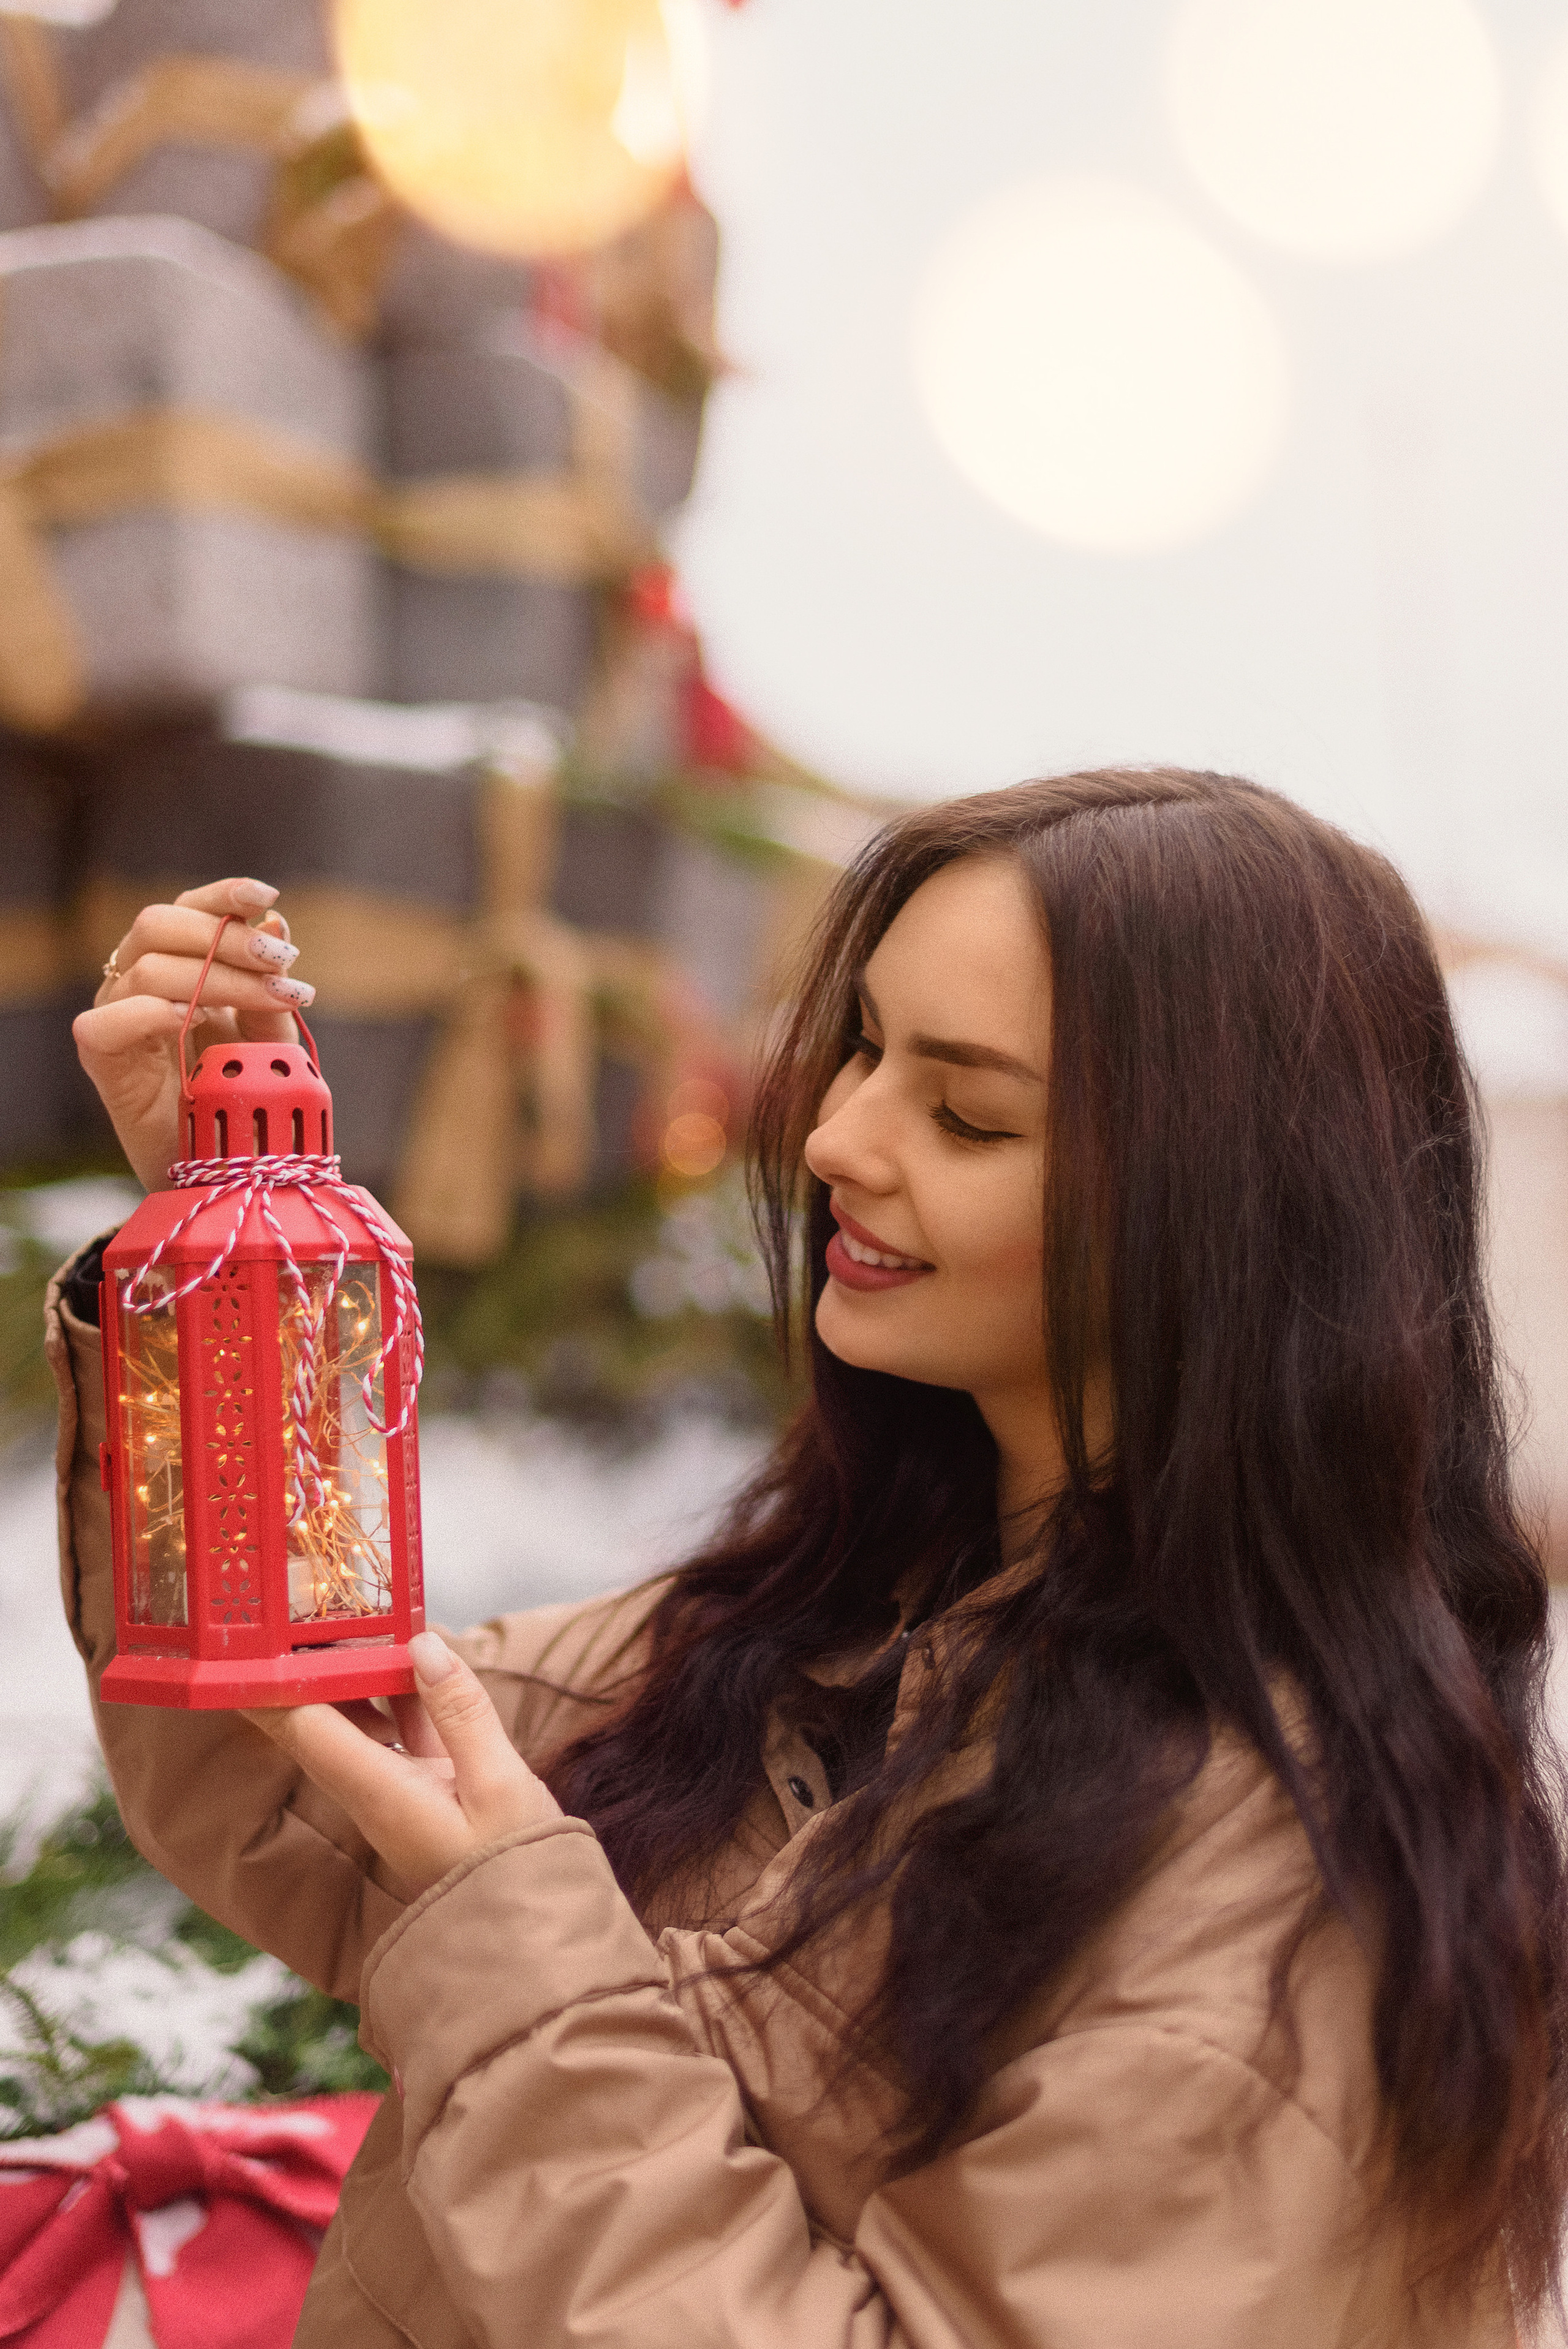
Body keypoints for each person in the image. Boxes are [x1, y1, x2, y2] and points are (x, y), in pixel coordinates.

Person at [47, 768, 1567, 2348]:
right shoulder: (848, 1609)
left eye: (967, 1114)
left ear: (1221, 1211)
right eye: (862, 1046)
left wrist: (515, 1963)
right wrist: (230, 1259)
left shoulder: (1284, 1882)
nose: (836, 1137)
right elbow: (292, 1756)